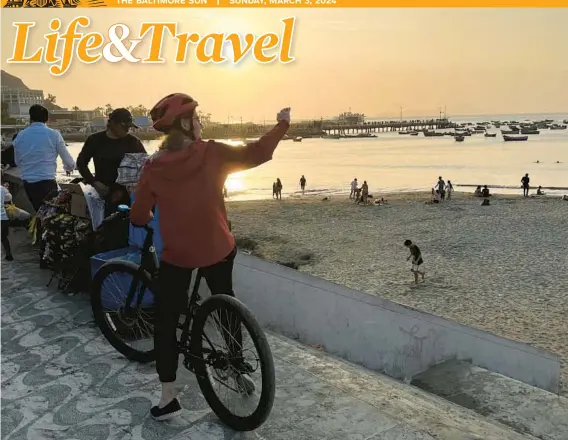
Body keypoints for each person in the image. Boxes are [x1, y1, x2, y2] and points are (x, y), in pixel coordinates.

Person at [129, 92, 291, 421]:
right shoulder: (212, 152)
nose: (201, 124)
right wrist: (282, 124)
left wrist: (144, 218)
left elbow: (139, 215)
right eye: (197, 119)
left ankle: (168, 396)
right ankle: (236, 360)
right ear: (187, 124)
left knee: (166, 320)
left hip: (179, 254)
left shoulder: (152, 167)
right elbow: (259, 152)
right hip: (219, 246)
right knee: (224, 298)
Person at [76, 108, 146, 215]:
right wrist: (94, 182)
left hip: (126, 194)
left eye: (129, 127)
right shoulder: (95, 140)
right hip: (102, 191)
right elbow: (81, 163)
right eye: (124, 126)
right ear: (113, 123)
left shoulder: (133, 142)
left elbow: (145, 168)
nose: (127, 130)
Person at [13, 105, 75, 211]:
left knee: (39, 212)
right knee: (51, 216)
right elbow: (68, 160)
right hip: (47, 182)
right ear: (47, 119)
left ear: (30, 118)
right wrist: (68, 168)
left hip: (28, 183)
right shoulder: (54, 134)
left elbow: (18, 162)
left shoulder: (20, 135)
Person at [1, 183, 14, 261]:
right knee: (3, 238)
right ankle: (9, 255)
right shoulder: (3, 189)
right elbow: (9, 198)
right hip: (3, 218)